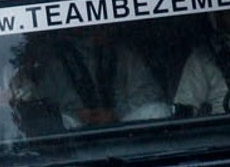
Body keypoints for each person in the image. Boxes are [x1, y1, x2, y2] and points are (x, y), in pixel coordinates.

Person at [15, 26, 168, 129]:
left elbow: (150, 92)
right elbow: (44, 104)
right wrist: (78, 114)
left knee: (158, 110)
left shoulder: (124, 54)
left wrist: (116, 113)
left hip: (124, 125)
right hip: (76, 132)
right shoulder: (53, 61)